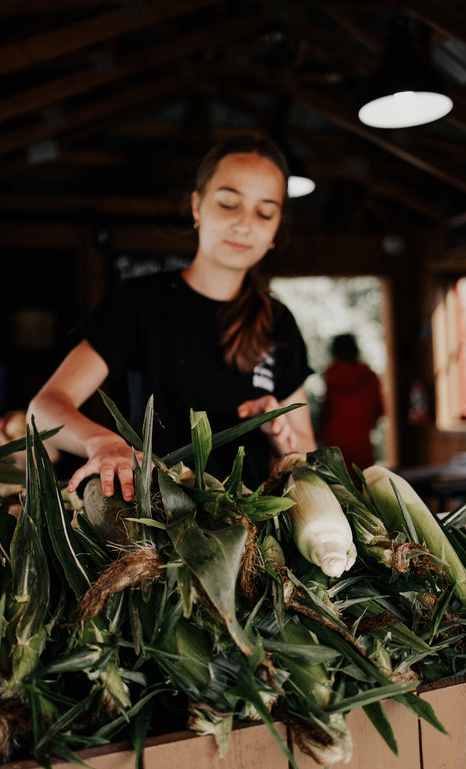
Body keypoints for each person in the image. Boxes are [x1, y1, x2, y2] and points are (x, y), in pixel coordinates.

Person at [27, 135, 316, 501]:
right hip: (155, 528)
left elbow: (305, 451)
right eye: (229, 204)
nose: (244, 224)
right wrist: (101, 441)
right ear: (197, 207)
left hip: (252, 537)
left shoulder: (278, 321)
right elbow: (44, 407)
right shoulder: (139, 302)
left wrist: (279, 431)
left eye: (264, 212)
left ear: (276, 229)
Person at [317, 333, 384, 472]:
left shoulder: (332, 376)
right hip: (361, 444)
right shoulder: (369, 376)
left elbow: (326, 413)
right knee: (363, 487)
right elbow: (380, 411)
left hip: (334, 445)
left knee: (336, 488)